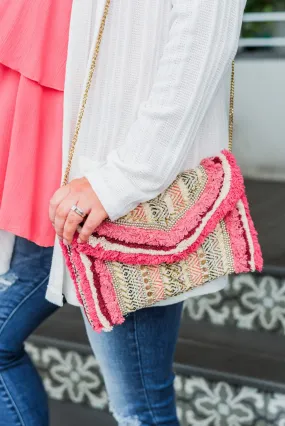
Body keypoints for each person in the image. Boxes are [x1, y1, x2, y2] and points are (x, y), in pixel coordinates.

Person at [0, 1, 246, 425]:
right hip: (57, 185)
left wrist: (123, 181)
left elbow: (200, 47)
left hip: (122, 204)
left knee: (140, 410)